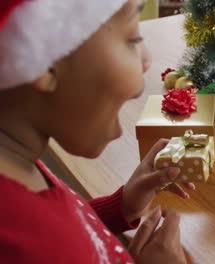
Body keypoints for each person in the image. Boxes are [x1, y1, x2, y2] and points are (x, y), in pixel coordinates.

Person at [0, 1, 193, 263]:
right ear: (46, 60)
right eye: (132, 38)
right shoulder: (35, 243)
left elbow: (66, 233)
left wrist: (120, 207)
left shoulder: (17, 171)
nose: (147, 60)